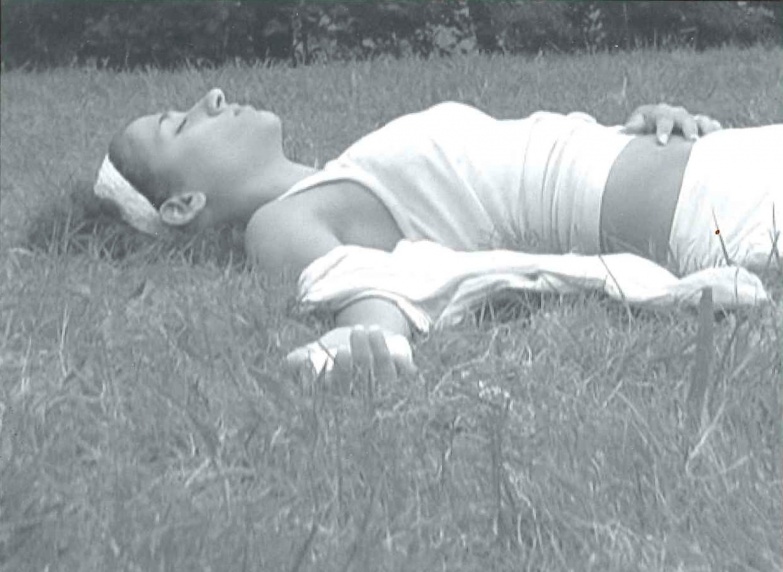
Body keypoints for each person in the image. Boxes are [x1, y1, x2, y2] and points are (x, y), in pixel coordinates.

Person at [95, 89, 781, 386]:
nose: (211, 98)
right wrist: (362, 343)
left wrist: (644, 122)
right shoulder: (279, 223)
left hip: (709, 166)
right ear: (183, 206)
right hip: (709, 205)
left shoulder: (346, 172)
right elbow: (366, 282)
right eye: (179, 124)